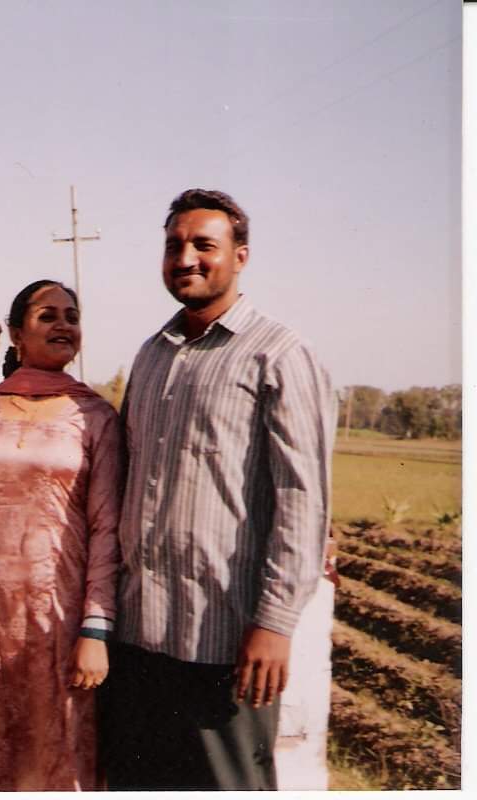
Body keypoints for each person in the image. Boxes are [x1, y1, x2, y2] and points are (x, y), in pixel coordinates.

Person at [99, 189, 335, 790]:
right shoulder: (152, 355)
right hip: (139, 637)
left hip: (225, 642)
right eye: (174, 245)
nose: (187, 258)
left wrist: (275, 624)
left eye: (205, 245)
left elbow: (303, 501)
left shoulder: (278, 354)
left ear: (241, 256)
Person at [0, 279, 122, 790]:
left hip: (60, 617)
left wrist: (95, 627)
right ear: (17, 334)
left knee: (58, 755)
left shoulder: (95, 417)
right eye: (48, 316)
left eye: (72, 316)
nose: (64, 324)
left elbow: (107, 526)